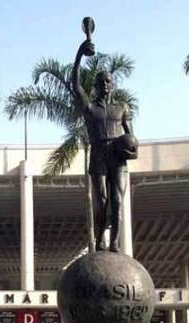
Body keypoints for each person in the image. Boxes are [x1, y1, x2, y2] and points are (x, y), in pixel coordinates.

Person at [71, 38, 138, 252]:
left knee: (117, 202)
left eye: (108, 81)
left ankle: (115, 242)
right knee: (101, 201)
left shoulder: (121, 108)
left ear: (113, 84)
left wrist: (132, 151)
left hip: (118, 157)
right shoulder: (90, 108)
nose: (105, 85)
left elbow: (131, 136)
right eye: (101, 82)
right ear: (96, 86)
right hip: (98, 154)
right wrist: (79, 55)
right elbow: (75, 84)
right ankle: (100, 239)